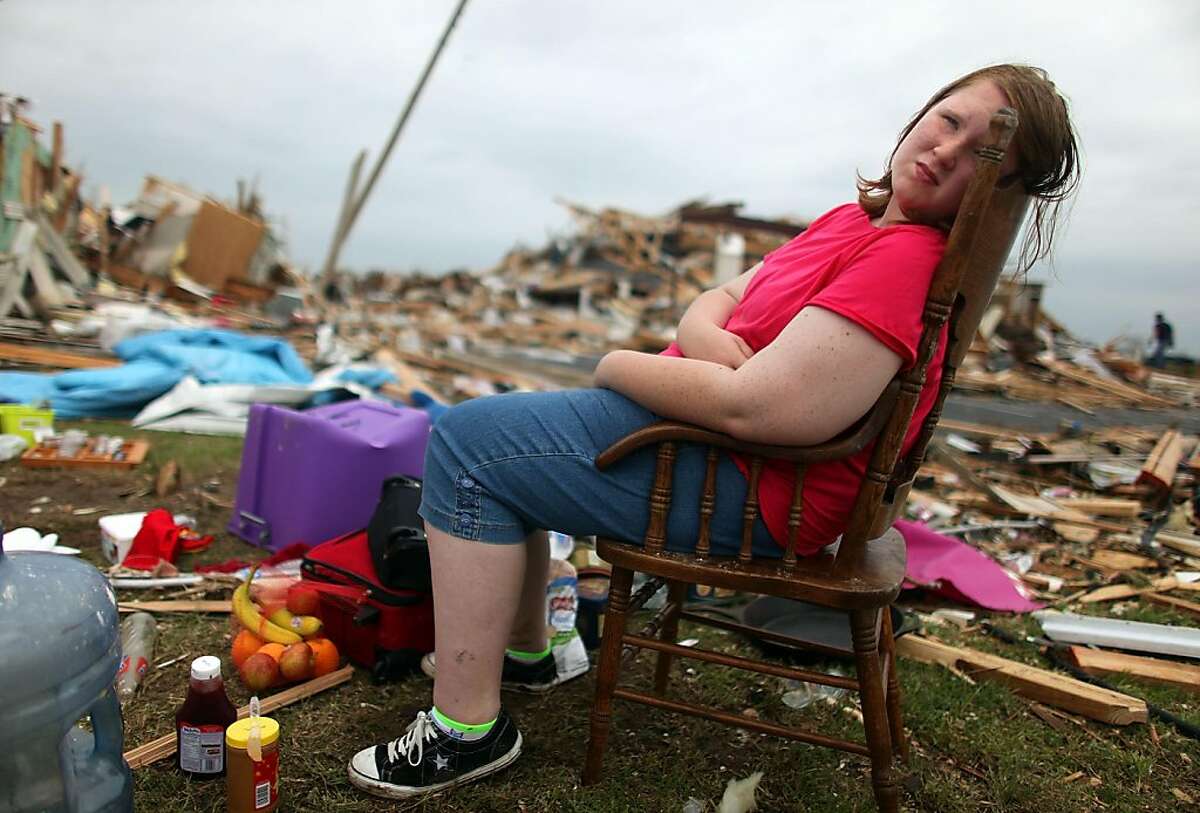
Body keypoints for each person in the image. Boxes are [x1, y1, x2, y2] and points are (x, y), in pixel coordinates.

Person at [347, 63, 1081, 799]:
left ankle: (467, 729)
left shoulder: (903, 261)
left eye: (981, 153)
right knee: (500, 437)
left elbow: (760, 411)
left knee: (468, 446)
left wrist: (616, 364)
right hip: (698, 437)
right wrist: (703, 332)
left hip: (738, 475)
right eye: (950, 119)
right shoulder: (856, 219)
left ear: (997, 190)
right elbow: (726, 295)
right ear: (925, 110)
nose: (947, 150)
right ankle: (529, 655)